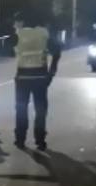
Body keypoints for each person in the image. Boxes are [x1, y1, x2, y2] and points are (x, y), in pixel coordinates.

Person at [10, 9, 61, 151]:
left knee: (21, 109)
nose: (14, 25)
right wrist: (51, 73)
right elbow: (57, 52)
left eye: (16, 22)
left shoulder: (17, 34)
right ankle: (40, 140)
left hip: (22, 78)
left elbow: (5, 50)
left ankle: (20, 139)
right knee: (40, 109)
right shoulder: (44, 33)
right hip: (40, 78)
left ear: (22, 22)